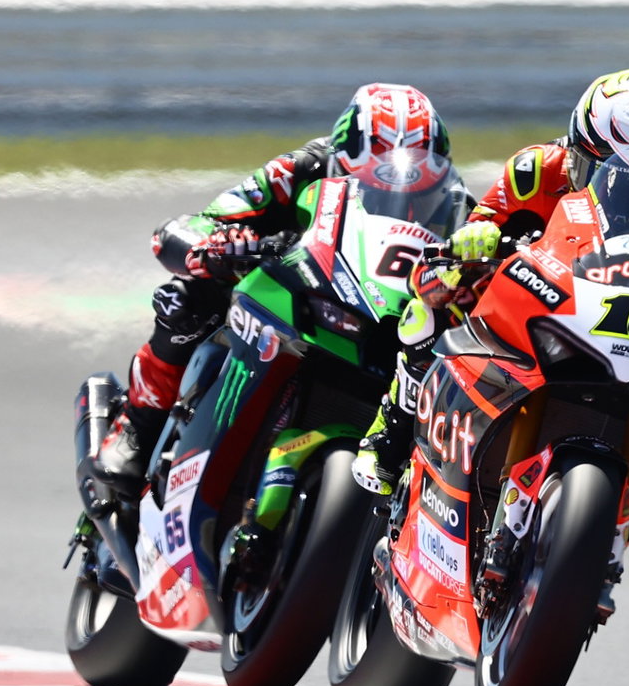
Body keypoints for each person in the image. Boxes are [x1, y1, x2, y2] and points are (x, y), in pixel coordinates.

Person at [352, 68, 629, 494]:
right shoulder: (533, 171)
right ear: (576, 148)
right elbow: (461, 245)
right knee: (432, 301)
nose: (625, 191)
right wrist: (473, 240)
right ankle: (392, 431)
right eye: (602, 168)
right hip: (544, 297)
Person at [92, 83, 463, 491]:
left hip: (385, 313)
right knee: (188, 301)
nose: (398, 188)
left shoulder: (459, 206)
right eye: (374, 175)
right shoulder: (302, 167)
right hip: (293, 284)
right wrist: (216, 246)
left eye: (418, 180)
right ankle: (138, 426)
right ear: (343, 158)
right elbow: (195, 224)